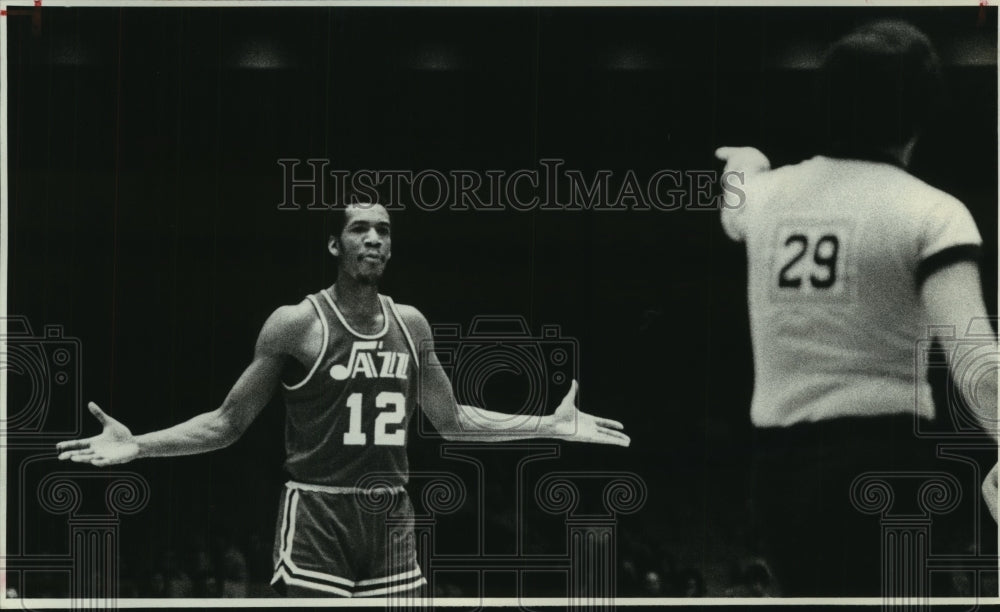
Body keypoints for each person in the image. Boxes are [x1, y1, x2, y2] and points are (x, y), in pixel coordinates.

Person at [55, 199, 630, 598]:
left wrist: (547, 425)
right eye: (360, 228)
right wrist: (139, 447)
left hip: (391, 515)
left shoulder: (412, 325)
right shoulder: (296, 324)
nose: (374, 238)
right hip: (318, 510)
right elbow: (226, 424)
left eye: (383, 230)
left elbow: (452, 421)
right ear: (335, 243)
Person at [715, 20, 997, 596]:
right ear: (921, 115)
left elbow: (733, 210)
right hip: (884, 462)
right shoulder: (932, 212)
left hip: (778, 476)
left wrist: (745, 162)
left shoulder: (766, 200)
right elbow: (975, 363)